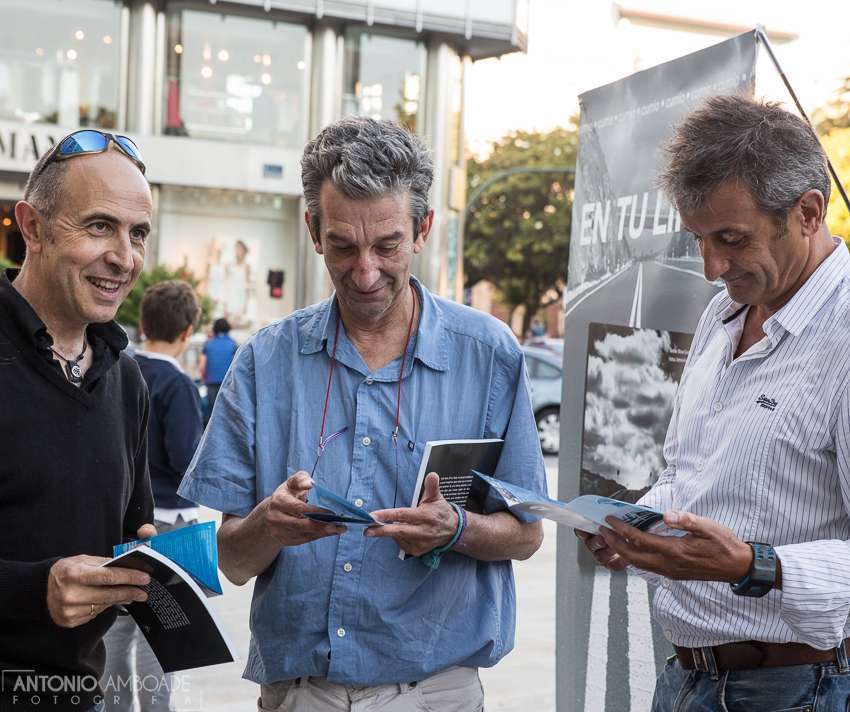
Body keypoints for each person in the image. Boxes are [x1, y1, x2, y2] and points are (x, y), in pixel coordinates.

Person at [178, 116, 546, 712]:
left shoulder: (489, 355)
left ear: (423, 229)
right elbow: (231, 560)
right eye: (344, 247)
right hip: (302, 695)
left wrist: (458, 529)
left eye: (387, 246)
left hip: (436, 695)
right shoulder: (265, 360)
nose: (367, 271)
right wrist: (269, 524)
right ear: (313, 231)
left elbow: (526, 535)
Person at [576, 95, 850, 711]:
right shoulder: (722, 316)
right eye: (699, 238)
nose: (710, 266)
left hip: (804, 688)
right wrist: (637, 527)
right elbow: (688, 476)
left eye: (731, 238)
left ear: (808, 212)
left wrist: (753, 566)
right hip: (688, 680)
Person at [0, 129, 157, 711]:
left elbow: (131, 532)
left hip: (80, 695)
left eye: (137, 233)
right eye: (99, 226)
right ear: (33, 228)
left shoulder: (126, 378)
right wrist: (34, 589)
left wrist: (153, 560)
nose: (124, 257)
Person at [101, 280, 204, 712]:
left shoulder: (118, 369)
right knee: (161, 633)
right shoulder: (178, 384)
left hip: (121, 516)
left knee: (117, 628)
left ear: (142, 324)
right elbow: (185, 459)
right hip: (167, 521)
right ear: (187, 332)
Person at [199, 316, 237, 419]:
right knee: (226, 414)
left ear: (215, 329)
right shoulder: (233, 344)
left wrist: (203, 378)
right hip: (228, 383)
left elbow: (202, 365)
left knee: (212, 413)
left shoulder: (208, 344)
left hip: (211, 382)